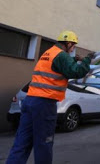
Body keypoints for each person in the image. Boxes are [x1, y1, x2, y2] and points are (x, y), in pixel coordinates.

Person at [7, 31, 94, 164]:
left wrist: (73, 60)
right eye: (73, 46)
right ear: (69, 43)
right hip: (44, 104)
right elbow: (76, 72)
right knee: (44, 142)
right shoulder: (62, 56)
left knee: (22, 142)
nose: (73, 48)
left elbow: (59, 66)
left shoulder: (48, 53)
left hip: (30, 101)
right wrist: (87, 60)